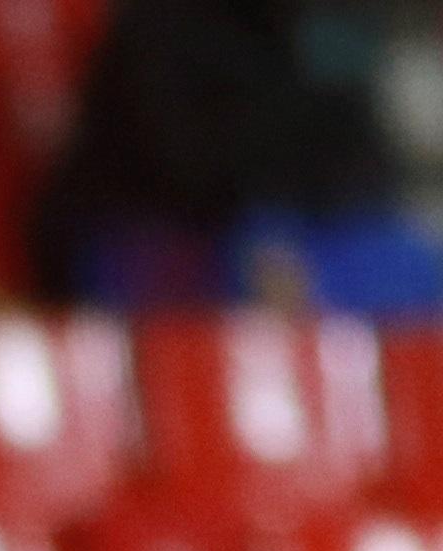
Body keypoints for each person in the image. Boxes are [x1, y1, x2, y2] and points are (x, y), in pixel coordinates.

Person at [28, 0, 441, 322]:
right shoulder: (171, 19)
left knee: (421, 272)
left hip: (295, 228)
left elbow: (359, 151)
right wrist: (268, 231)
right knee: (266, 268)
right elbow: (184, 165)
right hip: (151, 233)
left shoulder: (339, 21)